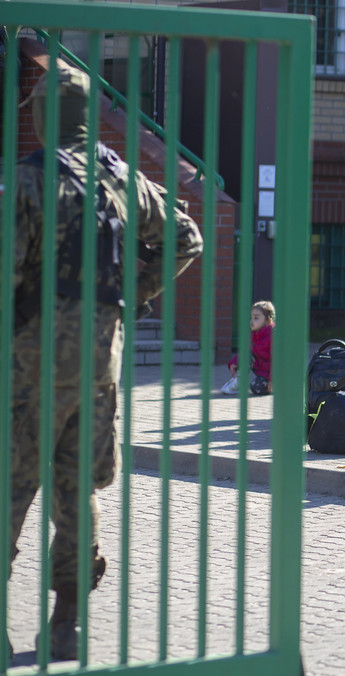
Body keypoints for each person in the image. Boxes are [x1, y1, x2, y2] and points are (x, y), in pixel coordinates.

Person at [5, 62, 203, 660]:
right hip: (100, 364)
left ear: (42, 116)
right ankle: (68, 625)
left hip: (28, 362)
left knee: (12, 484)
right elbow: (188, 237)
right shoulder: (122, 178)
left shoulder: (27, 181)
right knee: (77, 487)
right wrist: (134, 291)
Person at [226, 300, 275, 396]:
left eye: (256, 318)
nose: (252, 321)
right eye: (251, 317)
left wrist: (272, 380)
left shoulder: (273, 335)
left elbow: (277, 361)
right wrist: (234, 363)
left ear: (267, 320)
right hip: (262, 370)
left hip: (274, 373)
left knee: (256, 387)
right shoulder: (253, 335)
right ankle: (239, 381)